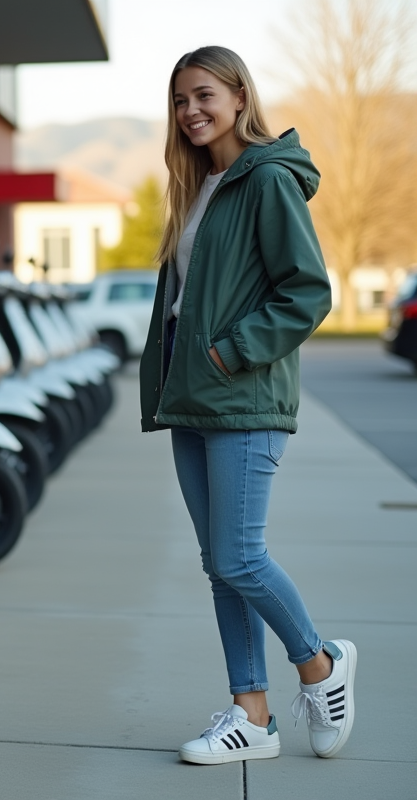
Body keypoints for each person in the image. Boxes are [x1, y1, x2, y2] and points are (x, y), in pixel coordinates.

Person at [138, 45, 356, 765]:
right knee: (218, 563)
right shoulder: (201, 184)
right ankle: (251, 714)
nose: (191, 111)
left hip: (244, 396)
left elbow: (307, 291)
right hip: (192, 398)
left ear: (238, 95)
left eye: (203, 95)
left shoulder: (266, 181)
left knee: (239, 555)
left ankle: (319, 664)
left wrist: (231, 351)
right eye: (179, 101)